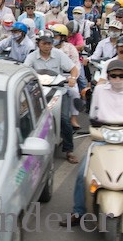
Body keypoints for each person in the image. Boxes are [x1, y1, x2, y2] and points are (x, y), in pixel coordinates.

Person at [60, 59, 123, 227]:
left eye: (121, 76)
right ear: (108, 76)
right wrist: (94, 126)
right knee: (83, 174)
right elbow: (92, 114)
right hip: (103, 138)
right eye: (113, 75)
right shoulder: (100, 91)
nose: (117, 79)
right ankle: (78, 212)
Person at [24, 30, 80, 164]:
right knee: (27, 117)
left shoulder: (59, 54)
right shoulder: (32, 56)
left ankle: (69, 150)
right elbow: (24, 70)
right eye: (44, 43)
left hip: (59, 90)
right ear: (39, 44)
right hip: (38, 92)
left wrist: (72, 78)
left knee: (64, 119)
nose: (48, 46)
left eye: (50, 43)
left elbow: (73, 69)